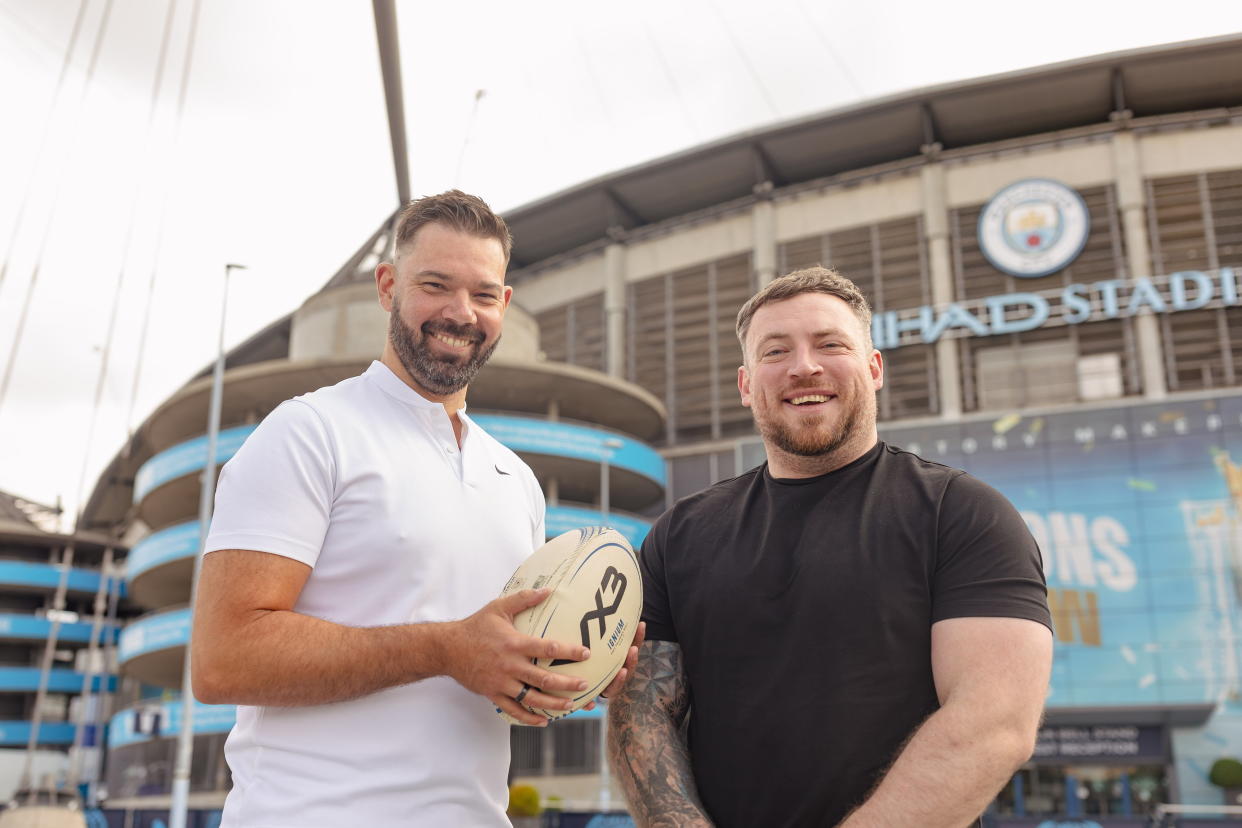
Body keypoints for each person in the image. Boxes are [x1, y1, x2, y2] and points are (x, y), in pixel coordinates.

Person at [192, 190, 639, 827]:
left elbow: (498, 682)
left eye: (484, 295)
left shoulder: (515, 480)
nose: (461, 313)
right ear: (388, 285)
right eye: (436, 285)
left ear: (504, 305)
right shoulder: (310, 431)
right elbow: (223, 658)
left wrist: (576, 669)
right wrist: (444, 648)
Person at [607, 267, 1053, 828]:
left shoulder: (961, 513)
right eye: (775, 352)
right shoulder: (680, 533)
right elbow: (643, 709)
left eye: (829, 344)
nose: (804, 367)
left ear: (874, 367)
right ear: (747, 385)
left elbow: (994, 723)